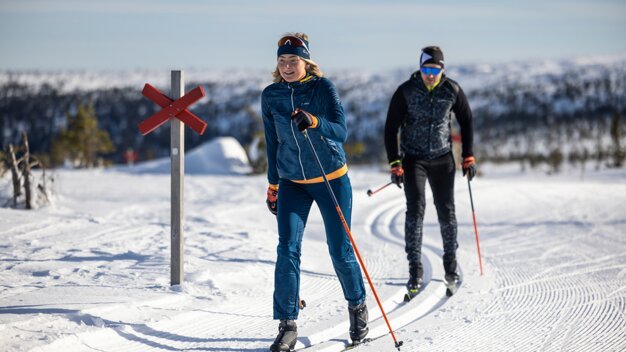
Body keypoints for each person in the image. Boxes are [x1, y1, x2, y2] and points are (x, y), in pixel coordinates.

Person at [262, 32, 368, 351]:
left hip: (331, 178)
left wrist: (314, 120)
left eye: (293, 60)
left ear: (306, 62)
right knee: (287, 248)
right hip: (292, 181)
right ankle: (287, 324)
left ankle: (358, 307)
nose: (287, 66)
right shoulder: (271, 96)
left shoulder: (323, 88)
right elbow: (271, 143)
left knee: (339, 249)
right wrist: (272, 183)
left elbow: (341, 131)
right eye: (282, 61)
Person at [384, 46, 476, 299]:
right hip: (414, 160)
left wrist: (468, 156)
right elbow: (391, 128)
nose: (431, 75)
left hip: (443, 158)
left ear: (442, 69)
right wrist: (395, 163)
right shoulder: (406, 91)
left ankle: (450, 268)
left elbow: (467, 120)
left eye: (435, 70)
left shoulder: (452, 90)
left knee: (447, 211)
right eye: (426, 69)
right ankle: (415, 271)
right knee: (415, 210)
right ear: (420, 68)